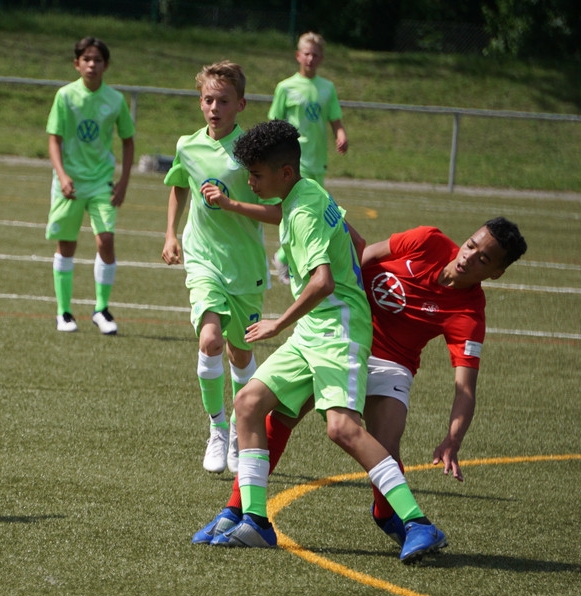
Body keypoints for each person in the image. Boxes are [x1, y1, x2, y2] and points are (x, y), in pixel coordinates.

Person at [195, 217, 527, 552]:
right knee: (279, 416)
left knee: (384, 442)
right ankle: (238, 511)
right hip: (342, 335)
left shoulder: (469, 313)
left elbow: (465, 389)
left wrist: (452, 440)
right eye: (471, 244)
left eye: (483, 258)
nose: (469, 256)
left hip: (390, 362)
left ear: (495, 273)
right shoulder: (428, 241)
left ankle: (391, 516)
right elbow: (361, 257)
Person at [207, 119, 446, 563]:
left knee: (342, 428)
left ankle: (417, 522)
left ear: (283, 172)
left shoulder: (303, 210)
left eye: (256, 175)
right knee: (248, 403)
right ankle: (255, 521)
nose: (251, 181)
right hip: (315, 328)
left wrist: (278, 324)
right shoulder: (307, 189)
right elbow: (349, 240)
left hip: (337, 330)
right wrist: (237, 204)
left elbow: (322, 281)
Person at [161, 61, 281, 474]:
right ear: (200, 102)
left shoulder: (252, 152)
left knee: (239, 350)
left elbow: (275, 212)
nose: (214, 107)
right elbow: (179, 183)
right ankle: (216, 427)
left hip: (244, 266)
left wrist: (230, 204)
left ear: (241, 104)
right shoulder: (187, 145)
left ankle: (238, 428)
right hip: (203, 259)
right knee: (209, 340)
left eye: (223, 101)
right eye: (208, 100)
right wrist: (171, 234)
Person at [46, 36, 135, 335]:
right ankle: (64, 312)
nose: (92, 64)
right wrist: (62, 175)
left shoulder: (115, 100)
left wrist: (123, 181)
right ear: (77, 63)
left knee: (105, 241)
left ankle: (101, 308)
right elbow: (54, 139)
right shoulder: (65, 96)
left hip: (101, 182)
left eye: (97, 60)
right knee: (67, 245)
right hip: (69, 182)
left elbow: (128, 140)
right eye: (86, 59)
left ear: (106, 65)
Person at [268, 32, 348, 284]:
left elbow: (335, 118)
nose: (310, 58)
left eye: (315, 54)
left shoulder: (327, 88)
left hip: (316, 162)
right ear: (298, 56)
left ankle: (284, 257)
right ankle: (286, 258)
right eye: (306, 53)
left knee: (312, 212)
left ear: (321, 58)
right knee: (291, 211)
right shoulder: (286, 87)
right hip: (292, 163)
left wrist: (341, 134)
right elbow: (274, 122)